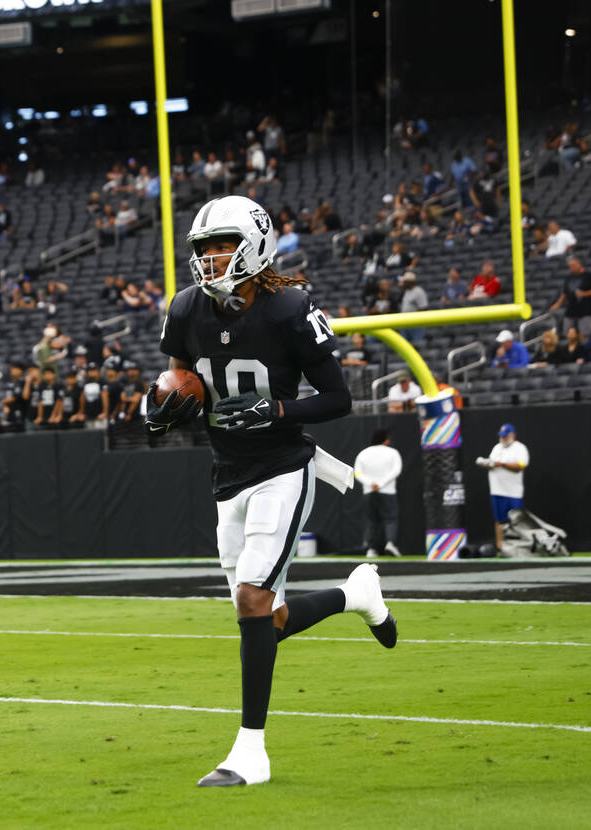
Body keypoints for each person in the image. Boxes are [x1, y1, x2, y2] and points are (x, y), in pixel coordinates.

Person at [149, 194, 396, 788]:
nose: (210, 258)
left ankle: (250, 753)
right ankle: (356, 594)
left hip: (284, 468)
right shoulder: (185, 308)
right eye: (204, 248)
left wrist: (278, 409)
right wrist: (164, 403)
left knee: (252, 599)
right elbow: (181, 377)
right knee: (267, 614)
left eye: (223, 245)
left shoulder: (290, 308)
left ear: (255, 245)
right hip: (226, 474)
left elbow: (339, 398)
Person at [475, 423, 529, 552]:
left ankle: (518, 548)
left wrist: (502, 464)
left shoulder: (520, 448)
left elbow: (521, 466)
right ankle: (501, 548)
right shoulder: (496, 448)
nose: (503, 438)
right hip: (497, 490)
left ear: (512, 435)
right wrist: (486, 464)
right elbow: (492, 464)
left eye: (505, 436)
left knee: (516, 521)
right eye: (501, 436)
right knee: (500, 521)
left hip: (513, 492)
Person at [353, 428, 403, 558]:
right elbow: (396, 471)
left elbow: (357, 473)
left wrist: (371, 484)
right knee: (390, 519)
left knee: (372, 521)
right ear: (386, 439)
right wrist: (380, 484)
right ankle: (390, 543)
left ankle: (371, 549)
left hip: (369, 492)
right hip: (388, 492)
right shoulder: (393, 453)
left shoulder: (363, 454)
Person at [549, 257, 591, 334]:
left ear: (579, 264)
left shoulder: (589, 276)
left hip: (586, 310)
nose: (571, 268)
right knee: (567, 333)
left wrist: (584, 294)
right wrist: (557, 304)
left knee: (585, 334)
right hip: (571, 310)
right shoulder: (569, 277)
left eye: (573, 266)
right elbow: (565, 293)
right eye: (570, 266)